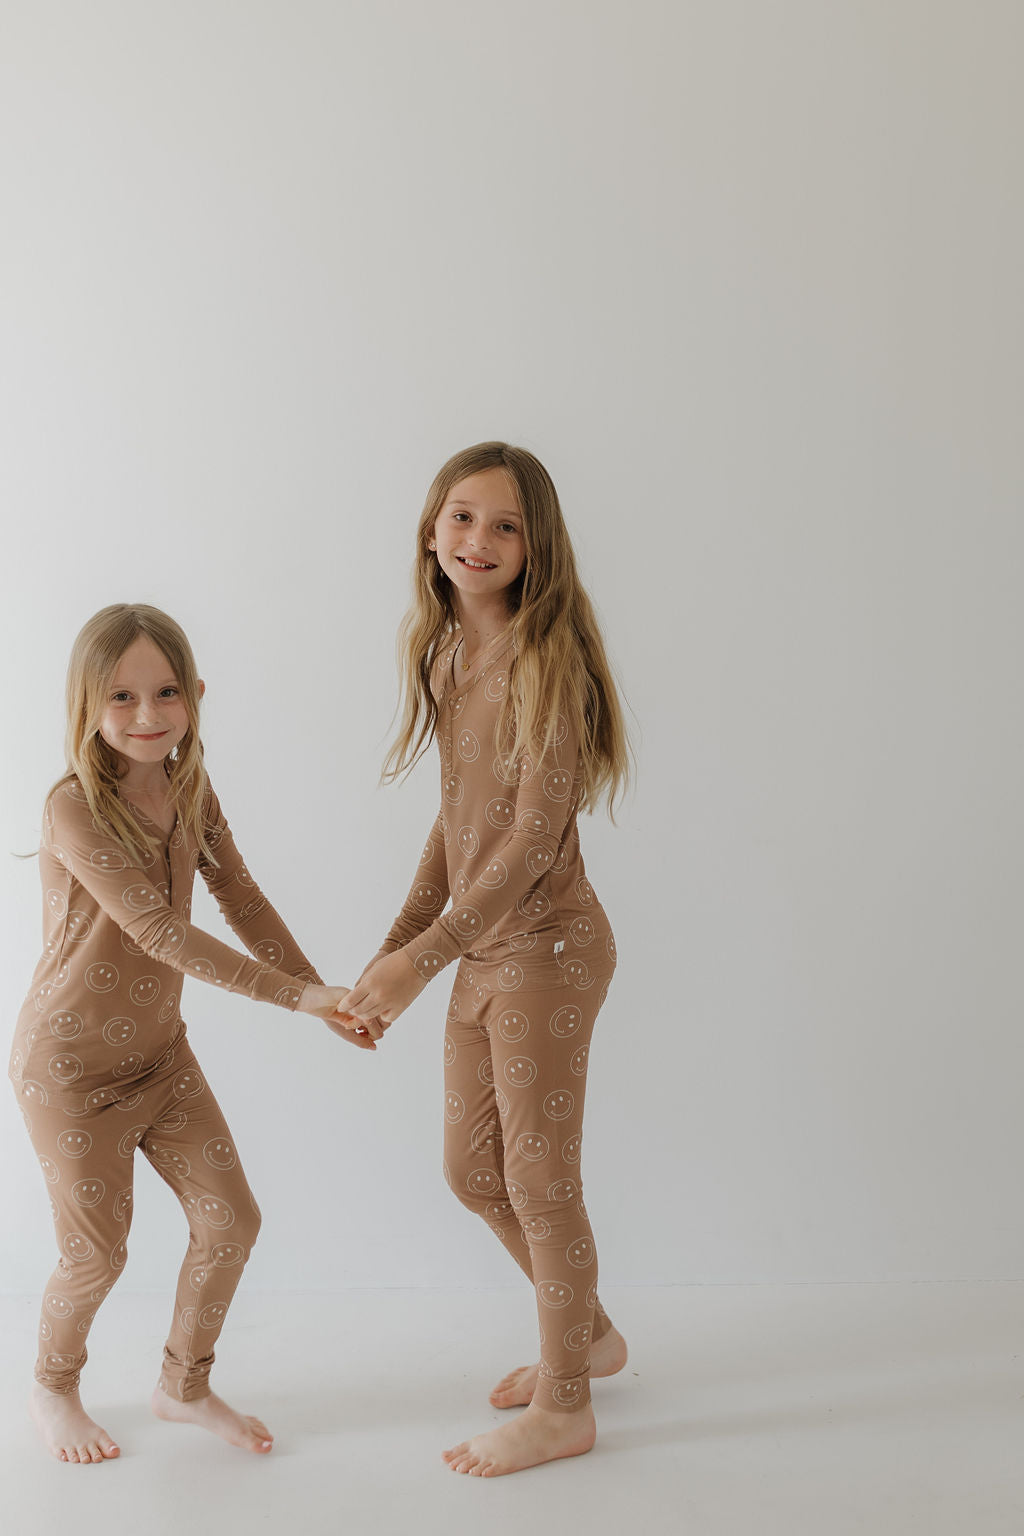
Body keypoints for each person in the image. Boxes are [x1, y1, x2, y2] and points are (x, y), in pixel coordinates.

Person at [10, 603, 376, 1465]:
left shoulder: (193, 790)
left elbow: (240, 897)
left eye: (166, 691)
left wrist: (328, 994)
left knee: (231, 1223)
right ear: (85, 706)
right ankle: (52, 1387)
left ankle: (183, 1385)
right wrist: (299, 999)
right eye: (122, 697)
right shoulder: (74, 808)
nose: (147, 715)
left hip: (161, 1058)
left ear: (196, 694)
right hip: (69, 1070)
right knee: (96, 1258)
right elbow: (160, 934)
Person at [339, 442, 632, 1477]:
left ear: (536, 547)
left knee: (540, 1179)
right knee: (473, 1170)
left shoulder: (545, 662)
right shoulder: (443, 655)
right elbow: (458, 829)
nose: (479, 540)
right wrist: (388, 959)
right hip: (482, 949)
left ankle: (566, 1406)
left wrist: (420, 963)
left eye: (505, 525)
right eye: (461, 517)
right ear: (430, 529)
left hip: (548, 946)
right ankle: (588, 1334)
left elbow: (527, 845)